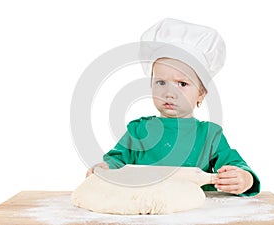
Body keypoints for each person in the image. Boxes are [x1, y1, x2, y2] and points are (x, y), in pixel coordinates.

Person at [86, 18, 260, 196]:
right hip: (144, 213)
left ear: (201, 94)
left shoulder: (209, 135)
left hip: (197, 215)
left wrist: (244, 179)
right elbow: (117, 161)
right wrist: (105, 168)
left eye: (182, 84)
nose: (169, 92)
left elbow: (234, 164)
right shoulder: (138, 130)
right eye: (161, 82)